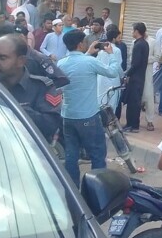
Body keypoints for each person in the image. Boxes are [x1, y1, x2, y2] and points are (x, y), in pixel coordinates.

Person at [57, 30, 122, 187]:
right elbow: (112, 73)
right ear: (80, 44)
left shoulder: (61, 63)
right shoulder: (89, 62)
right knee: (98, 154)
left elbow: (76, 67)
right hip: (88, 117)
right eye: (85, 42)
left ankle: (73, 188)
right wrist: (112, 54)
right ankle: (97, 188)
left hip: (68, 115)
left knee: (71, 154)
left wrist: (87, 53)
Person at [0, 34, 62, 142]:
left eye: (2, 58)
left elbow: (50, 126)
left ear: (21, 61)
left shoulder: (41, 87)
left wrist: (15, 109)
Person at [0, 23, 70, 88]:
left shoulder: (38, 58)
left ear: (23, 37)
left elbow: (61, 79)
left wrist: (39, 91)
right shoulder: (8, 57)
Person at [122, 22, 150, 133]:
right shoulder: (143, 43)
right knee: (134, 101)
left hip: (136, 78)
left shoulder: (139, 45)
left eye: (132, 30)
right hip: (139, 76)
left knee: (133, 102)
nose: (131, 32)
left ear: (137, 31)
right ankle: (133, 125)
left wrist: (126, 74)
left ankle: (132, 125)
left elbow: (136, 63)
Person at [96, 28, 124, 112]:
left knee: (100, 102)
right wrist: (122, 76)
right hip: (113, 80)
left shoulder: (101, 50)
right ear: (114, 39)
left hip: (101, 79)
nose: (120, 39)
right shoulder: (116, 50)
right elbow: (118, 66)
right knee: (111, 104)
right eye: (119, 37)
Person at [142, 31, 158, 131]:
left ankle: (150, 120)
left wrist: (144, 60)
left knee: (148, 96)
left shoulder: (153, 41)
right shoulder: (135, 41)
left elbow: (157, 56)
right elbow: (131, 56)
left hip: (148, 72)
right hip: (137, 72)